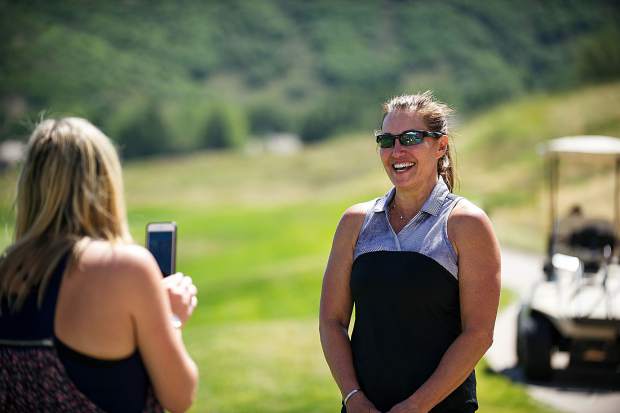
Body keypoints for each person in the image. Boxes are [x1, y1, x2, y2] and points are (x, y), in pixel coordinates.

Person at [0, 118, 199, 413]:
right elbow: (179, 397)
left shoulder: (7, 270)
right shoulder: (126, 267)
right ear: (104, 182)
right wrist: (172, 319)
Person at [319, 92, 501, 413]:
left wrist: (417, 406)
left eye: (411, 138)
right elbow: (332, 321)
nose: (396, 151)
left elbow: (478, 334)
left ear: (440, 146)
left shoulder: (466, 224)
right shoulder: (354, 222)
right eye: (387, 140)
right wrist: (353, 398)